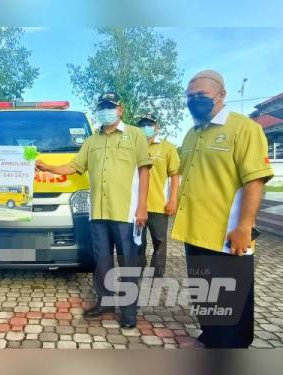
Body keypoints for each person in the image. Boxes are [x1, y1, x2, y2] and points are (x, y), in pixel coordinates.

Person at [171, 70, 273, 348]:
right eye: (190, 97)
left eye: (201, 96)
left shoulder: (243, 129)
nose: (194, 101)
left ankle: (232, 348)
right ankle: (211, 338)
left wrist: (244, 227)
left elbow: (255, 179)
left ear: (221, 95)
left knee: (231, 300)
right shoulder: (192, 134)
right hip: (195, 231)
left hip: (228, 234)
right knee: (204, 294)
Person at [36, 92, 152, 328]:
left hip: (126, 212)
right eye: (102, 107)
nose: (105, 111)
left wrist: (142, 207)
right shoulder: (91, 142)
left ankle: (129, 311)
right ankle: (105, 302)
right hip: (98, 212)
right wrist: (45, 165)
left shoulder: (135, 135)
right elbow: (73, 167)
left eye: (110, 106)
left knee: (128, 262)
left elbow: (144, 171)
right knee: (102, 261)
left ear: (120, 109)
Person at [135, 114, 180, 277]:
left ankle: (157, 274)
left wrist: (173, 200)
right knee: (138, 242)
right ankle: (138, 272)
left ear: (156, 127)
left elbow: (175, 175)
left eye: (149, 124)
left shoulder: (168, 148)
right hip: (136, 205)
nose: (145, 127)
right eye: (142, 124)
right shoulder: (133, 146)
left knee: (160, 242)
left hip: (159, 205)